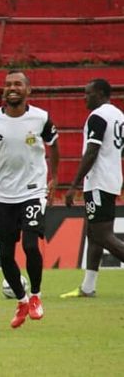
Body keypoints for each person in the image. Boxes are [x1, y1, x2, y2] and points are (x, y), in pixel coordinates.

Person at [0, 70, 59, 329]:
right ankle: (21, 301)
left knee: (32, 246)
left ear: (28, 90)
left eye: (18, 84)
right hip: (5, 195)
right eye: (8, 84)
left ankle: (35, 296)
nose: (12, 88)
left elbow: (54, 146)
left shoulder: (41, 118)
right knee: (5, 255)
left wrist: (54, 178)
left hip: (33, 191)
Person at [62, 79, 124, 298]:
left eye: (87, 93)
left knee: (102, 234)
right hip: (111, 180)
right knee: (93, 233)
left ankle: (88, 287)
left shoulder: (98, 117)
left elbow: (92, 151)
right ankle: (88, 287)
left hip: (98, 181)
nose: (84, 97)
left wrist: (73, 186)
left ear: (100, 93)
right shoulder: (119, 115)